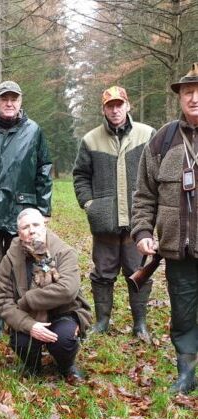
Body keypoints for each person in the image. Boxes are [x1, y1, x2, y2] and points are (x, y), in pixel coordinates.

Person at [131, 63, 198, 394]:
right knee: (184, 316)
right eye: (188, 92)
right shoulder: (162, 139)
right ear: (180, 97)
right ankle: (186, 374)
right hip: (177, 250)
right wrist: (143, 233)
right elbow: (143, 195)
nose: (194, 97)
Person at [73, 86, 155, 341]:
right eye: (110, 105)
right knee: (102, 274)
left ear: (128, 106)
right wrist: (89, 204)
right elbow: (80, 176)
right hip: (104, 222)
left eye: (120, 104)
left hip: (137, 222)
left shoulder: (148, 134)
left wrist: (155, 208)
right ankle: (102, 321)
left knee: (139, 272)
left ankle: (140, 324)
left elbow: (157, 173)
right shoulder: (91, 139)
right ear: (104, 109)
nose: (115, 109)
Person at [0, 80, 52, 338]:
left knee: (24, 265)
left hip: (23, 210)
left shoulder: (34, 130)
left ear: (21, 101)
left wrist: (43, 209)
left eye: (14, 98)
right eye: (4, 98)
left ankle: (24, 313)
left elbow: (44, 169)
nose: (9, 103)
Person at [0, 208, 91, 382]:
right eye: (25, 227)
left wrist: (28, 300)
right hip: (28, 316)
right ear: (19, 232)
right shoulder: (10, 258)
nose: (32, 230)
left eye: (36, 225)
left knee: (63, 340)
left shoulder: (64, 252)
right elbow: (1, 300)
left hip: (63, 313)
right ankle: (32, 365)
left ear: (44, 226)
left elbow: (68, 289)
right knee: (22, 343)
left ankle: (66, 366)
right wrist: (29, 325)